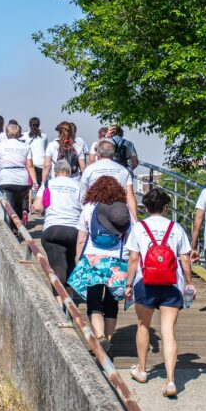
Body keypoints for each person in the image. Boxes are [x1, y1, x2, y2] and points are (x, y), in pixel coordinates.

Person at [125, 187, 195, 397]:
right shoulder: (176, 228)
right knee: (168, 331)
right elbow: (185, 259)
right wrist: (189, 283)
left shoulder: (139, 228)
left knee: (143, 325)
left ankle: (142, 370)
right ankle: (171, 381)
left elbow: (134, 259)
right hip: (172, 284)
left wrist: (128, 284)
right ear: (165, 207)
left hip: (145, 283)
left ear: (145, 208)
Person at [70, 176, 132, 356]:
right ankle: (109, 341)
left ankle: (99, 336)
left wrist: (77, 259)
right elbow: (131, 239)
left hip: (93, 259)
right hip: (118, 262)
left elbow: (81, 239)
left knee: (94, 300)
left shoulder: (89, 208)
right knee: (112, 303)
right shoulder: (123, 210)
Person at [33, 159, 82, 287]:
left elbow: (37, 206)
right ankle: (69, 295)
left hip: (53, 228)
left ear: (55, 172)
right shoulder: (79, 185)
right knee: (71, 263)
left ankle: (61, 300)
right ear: (70, 172)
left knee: (58, 266)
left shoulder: (48, 184)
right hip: (74, 230)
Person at [0, 123, 38, 230]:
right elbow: (30, 166)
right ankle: (18, 229)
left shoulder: (0, 145)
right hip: (22, 181)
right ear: (19, 134)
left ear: (6, 133)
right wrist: (35, 181)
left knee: (8, 208)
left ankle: (11, 231)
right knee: (18, 206)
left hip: (6, 179)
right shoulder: (25, 146)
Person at [78, 137, 138, 219]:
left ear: (97, 154)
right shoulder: (123, 170)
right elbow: (130, 196)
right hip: (118, 213)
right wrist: (135, 219)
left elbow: (83, 194)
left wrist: (84, 213)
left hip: (95, 213)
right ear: (113, 154)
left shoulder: (89, 170)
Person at [23, 117, 48, 208]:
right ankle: (40, 205)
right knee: (41, 187)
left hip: (31, 163)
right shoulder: (44, 136)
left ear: (29, 125)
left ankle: (29, 206)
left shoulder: (24, 136)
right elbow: (45, 149)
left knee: (29, 186)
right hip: (42, 162)